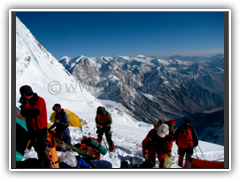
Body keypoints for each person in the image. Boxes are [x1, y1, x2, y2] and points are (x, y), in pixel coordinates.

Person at [19, 85, 48, 168]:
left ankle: (45, 167)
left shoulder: (39, 101)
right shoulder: (30, 102)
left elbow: (34, 113)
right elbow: (24, 114)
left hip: (40, 132)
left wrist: (25, 104)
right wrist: (24, 104)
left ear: (25, 95)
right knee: (38, 150)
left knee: (42, 152)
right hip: (33, 131)